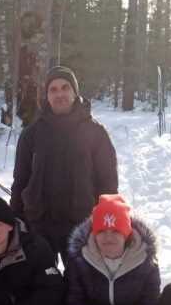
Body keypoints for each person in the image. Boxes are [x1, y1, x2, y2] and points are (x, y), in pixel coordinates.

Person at [10, 65, 118, 262]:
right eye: (53, 89)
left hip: (82, 225)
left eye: (65, 87)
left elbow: (108, 183)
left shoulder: (96, 133)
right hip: (39, 223)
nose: (59, 94)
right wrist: (16, 218)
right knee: (42, 283)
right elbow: (20, 180)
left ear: (75, 92)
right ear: (46, 96)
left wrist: (104, 222)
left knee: (80, 285)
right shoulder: (31, 134)